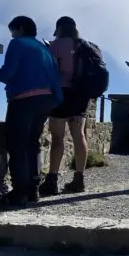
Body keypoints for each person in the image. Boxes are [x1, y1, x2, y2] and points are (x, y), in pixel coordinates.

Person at [0, 16, 62, 206]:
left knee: (17, 146)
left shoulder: (17, 44)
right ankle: (33, 190)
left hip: (23, 100)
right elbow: (55, 78)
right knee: (33, 144)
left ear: (20, 28)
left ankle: (19, 192)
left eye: (13, 30)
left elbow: (9, 72)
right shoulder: (44, 49)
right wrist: (54, 100)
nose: (12, 35)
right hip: (45, 101)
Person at [44, 16, 93, 195]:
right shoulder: (85, 46)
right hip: (81, 95)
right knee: (79, 135)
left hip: (61, 93)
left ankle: (52, 180)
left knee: (58, 137)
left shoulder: (55, 45)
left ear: (58, 28)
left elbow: (50, 70)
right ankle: (79, 179)